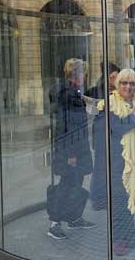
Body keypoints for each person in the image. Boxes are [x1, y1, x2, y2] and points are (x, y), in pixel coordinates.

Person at [92, 68, 135, 256]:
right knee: (117, 202)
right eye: (124, 83)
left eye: (132, 83)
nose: (128, 87)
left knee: (129, 199)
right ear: (118, 85)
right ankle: (117, 240)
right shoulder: (107, 105)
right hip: (114, 162)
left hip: (132, 161)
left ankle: (130, 236)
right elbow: (113, 129)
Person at [46, 59, 96, 240]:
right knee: (66, 186)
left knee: (76, 184)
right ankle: (55, 223)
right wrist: (70, 154)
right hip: (72, 151)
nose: (85, 77)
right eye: (83, 73)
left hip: (78, 148)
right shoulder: (67, 94)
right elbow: (65, 126)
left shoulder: (75, 93)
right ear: (75, 75)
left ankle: (74, 217)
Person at [88, 62, 121, 211]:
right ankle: (98, 199)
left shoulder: (119, 91)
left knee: (113, 168)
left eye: (116, 76)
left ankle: (109, 196)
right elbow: (91, 110)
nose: (114, 80)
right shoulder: (97, 91)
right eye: (112, 77)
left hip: (115, 136)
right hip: (102, 136)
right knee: (100, 168)